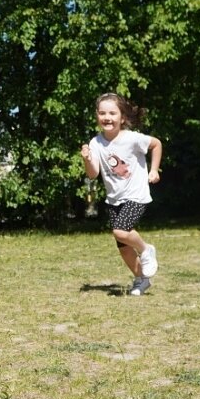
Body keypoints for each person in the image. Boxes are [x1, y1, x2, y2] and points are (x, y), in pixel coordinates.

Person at [81, 93, 162, 296]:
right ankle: (141, 279)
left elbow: (156, 144)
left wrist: (154, 170)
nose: (107, 117)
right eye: (102, 113)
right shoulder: (96, 143)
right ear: (97, 116)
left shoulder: (132, 138)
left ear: (122, 117)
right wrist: (87, 159)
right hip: (114, 199)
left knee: (120, 231)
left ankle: (146, 250)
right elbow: (93, 174)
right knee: (124, 247)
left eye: (112, 113)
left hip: (136, 194)